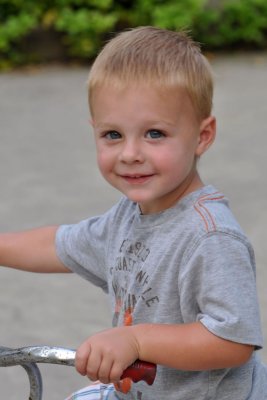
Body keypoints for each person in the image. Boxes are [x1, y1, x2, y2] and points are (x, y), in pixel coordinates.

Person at [0, 26, 266, 400]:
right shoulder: (127, 216)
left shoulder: (210, 236)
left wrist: (136, 339)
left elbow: (232, 340)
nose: (130, 154)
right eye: (113, 135)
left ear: (202, 136)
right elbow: (59, 244)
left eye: (155, 134)